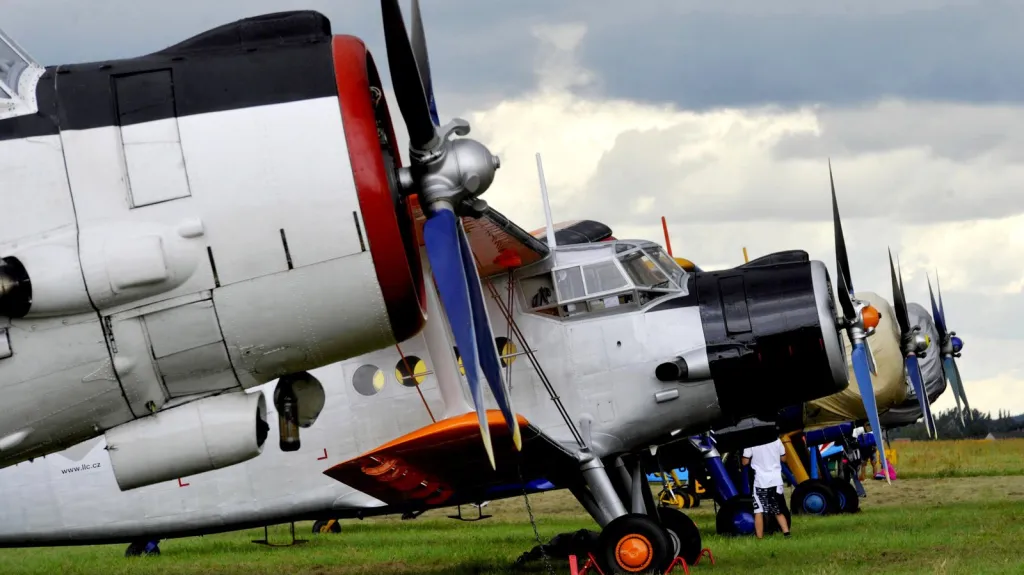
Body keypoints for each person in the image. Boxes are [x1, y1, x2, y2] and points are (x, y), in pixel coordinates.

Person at [742, 438, 791, 539]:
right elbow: (784, 459)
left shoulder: (750, 441)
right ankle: (786, 534)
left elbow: (745, 462)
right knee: (778, 509)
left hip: (760, 481)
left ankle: (760, 538)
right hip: (776, 480)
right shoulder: (777, 440)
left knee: (758, 510)